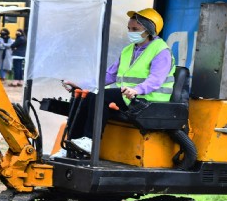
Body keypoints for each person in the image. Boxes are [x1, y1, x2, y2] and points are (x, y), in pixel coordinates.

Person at [58, 8, 175, 156]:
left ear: (149, 30)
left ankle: (90, 140)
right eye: (129, 28)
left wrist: (137, 90)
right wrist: (82, 85)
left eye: (135, 29)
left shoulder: (161, 51)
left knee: (100, 97)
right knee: (84, 96)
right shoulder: (128, 50)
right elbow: (109, 75)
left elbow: (156, 80)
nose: (131, 32)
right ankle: (70, 146)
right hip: (127, 96)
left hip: (149, 99)